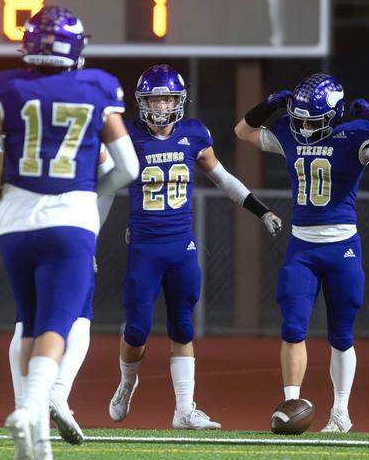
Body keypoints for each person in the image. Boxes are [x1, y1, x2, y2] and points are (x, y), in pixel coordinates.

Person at [0, 6, 139, 460]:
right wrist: (88, 191)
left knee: (29, 322)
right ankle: (31, 406)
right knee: (60, 324)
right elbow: (128, 168)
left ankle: (35, 441)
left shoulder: (8, 86)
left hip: (16, 222)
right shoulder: (98, 86)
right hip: (71, 218)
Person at [234, 72, 369, 433]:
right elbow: (242, 132)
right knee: (292, 326)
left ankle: (341, 412)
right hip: (302, 246)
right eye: (297, 117)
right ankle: (291, 400)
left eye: (310, 119)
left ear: (332, 115)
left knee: (342, 335)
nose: (301, 125)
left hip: (342, 245)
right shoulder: (288, 133)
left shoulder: (354, 136)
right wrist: (269, 104)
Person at [109, 64, 284, 430]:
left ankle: (185, 410)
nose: (160, 107)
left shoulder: (193, 133)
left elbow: (223, 178)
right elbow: (106, 187)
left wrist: (259, 209)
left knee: (182, 327)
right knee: (137, 330)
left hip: (181, 246)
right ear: (143, 103)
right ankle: (127, 383)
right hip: (145, 247)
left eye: (167, 99)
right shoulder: (127, 136)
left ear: (178, 101)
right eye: (154, 99)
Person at [0, 130, 116, 446]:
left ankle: (27, 406)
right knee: (77, 316)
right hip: (68, 227)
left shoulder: (10, 116)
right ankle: (57, 392)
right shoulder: (82, 118)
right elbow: (118, 173)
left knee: (27, 321)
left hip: (19, 230)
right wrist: (90, 224)